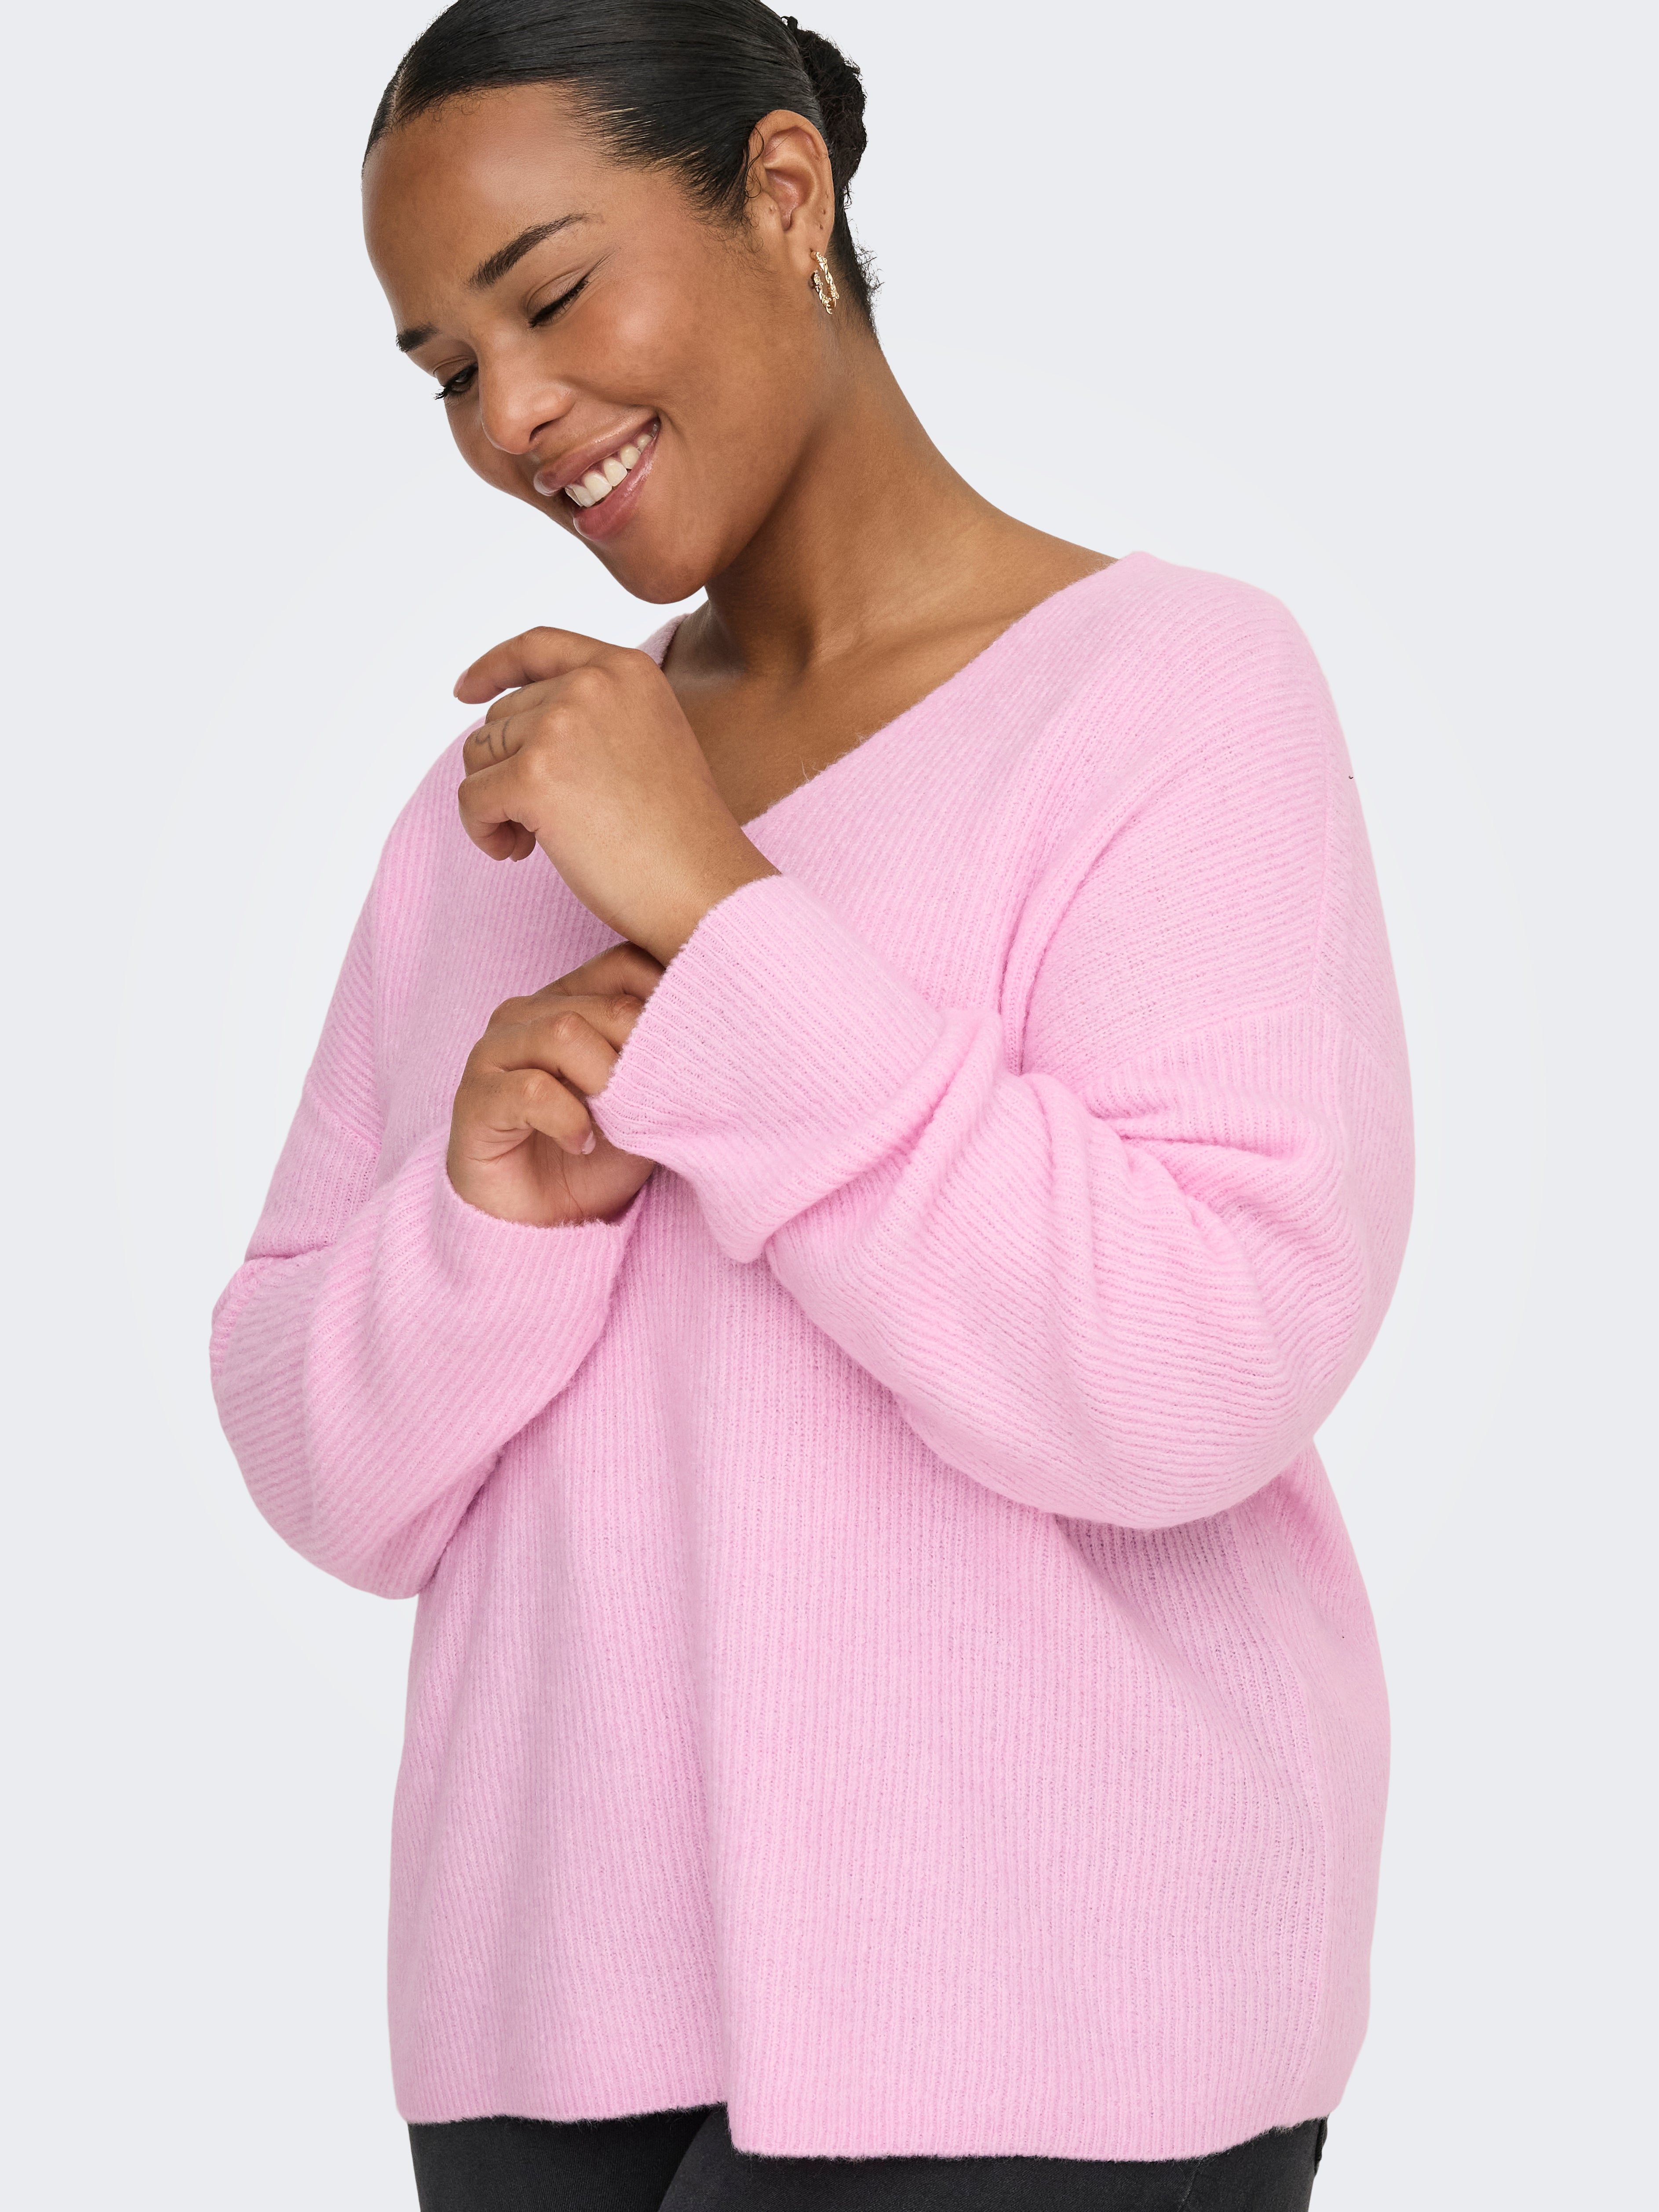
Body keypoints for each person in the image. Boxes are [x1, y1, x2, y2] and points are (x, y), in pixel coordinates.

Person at [209, 3, 1413, 2205]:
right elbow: (314, 1459)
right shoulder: (497, 812)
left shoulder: (1170, 697)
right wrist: (483, 1225)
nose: (510, 414)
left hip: (1050, 2021)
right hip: (544, 2025)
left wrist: (719, 920)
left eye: (551, 295)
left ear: (784, 194)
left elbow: (1200, 1367)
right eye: (446, 367)